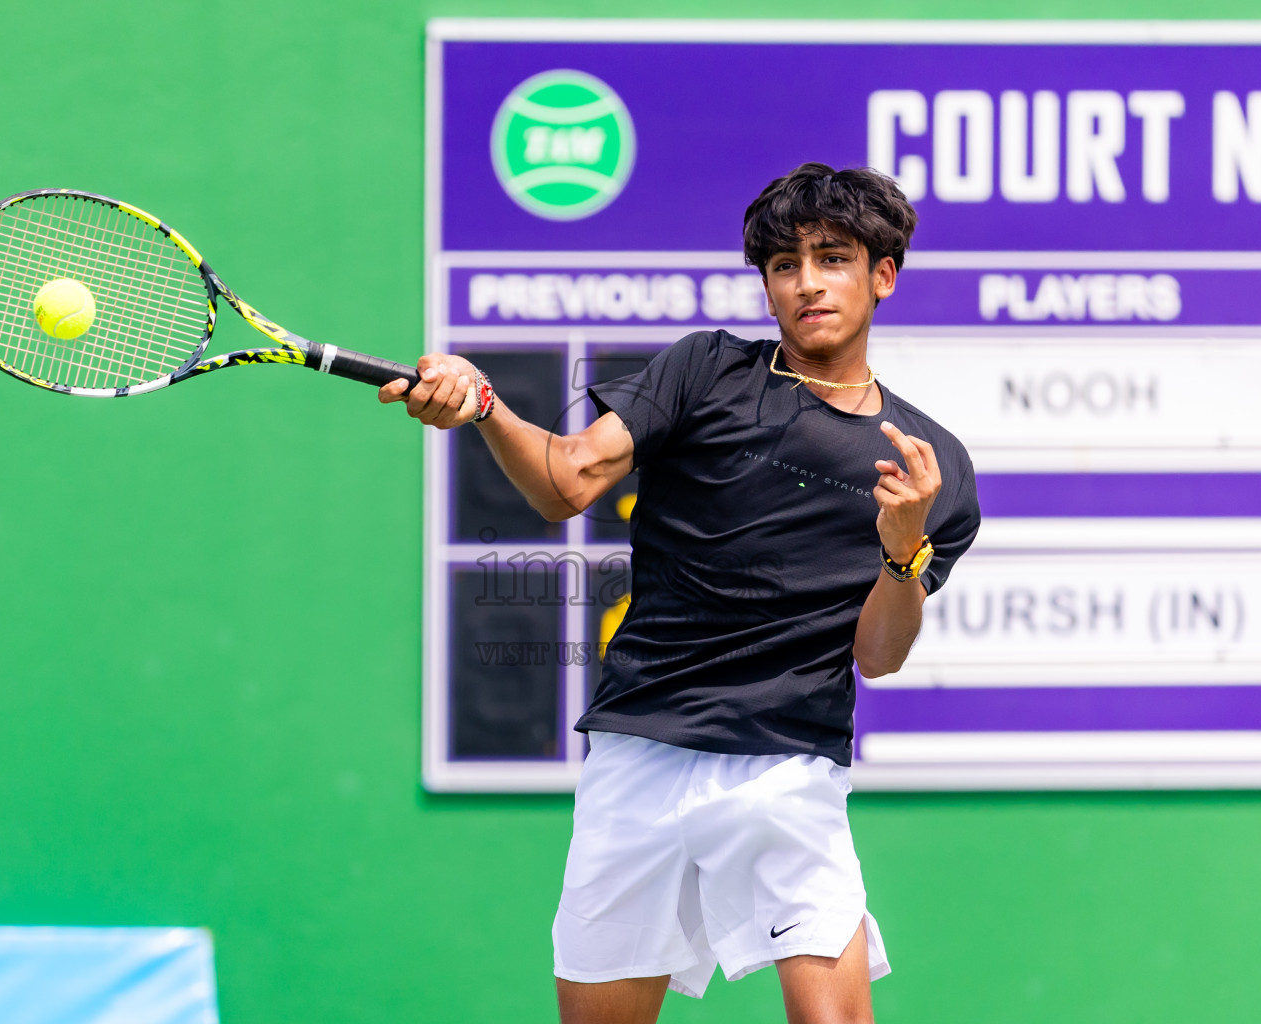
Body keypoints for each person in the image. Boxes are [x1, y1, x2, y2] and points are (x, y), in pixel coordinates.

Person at [381, 162, 980, 1024]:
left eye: (832, 257)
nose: (806, 281)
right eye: (783, 265)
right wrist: (483, 406)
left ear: (882, 275)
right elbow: (565, 481)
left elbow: (878, 657)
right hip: (640, 751)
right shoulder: (705, 371)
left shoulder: (938, 468)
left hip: (785, 765)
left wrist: (902, 550)